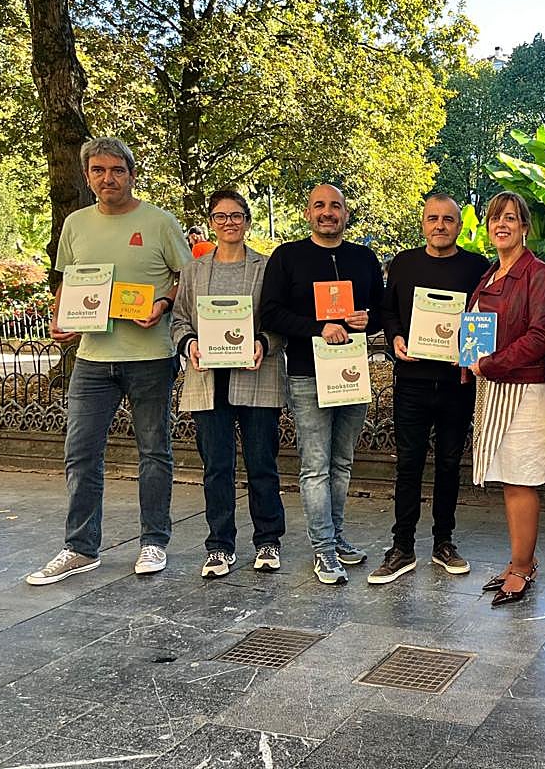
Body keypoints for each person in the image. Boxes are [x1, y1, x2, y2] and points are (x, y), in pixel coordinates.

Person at [26, 137, 191, 585]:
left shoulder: (159, 222)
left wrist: (162, 302)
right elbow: (68, 281)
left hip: (150, 355)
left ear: (131, 174)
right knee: (80, 454)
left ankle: (154, 541)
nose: (108, 178)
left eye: (117, 170)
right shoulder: (76, 224)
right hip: (93, 357)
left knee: (154, 452)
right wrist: (60, 319)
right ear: (87, 177)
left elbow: (186, 276)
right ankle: (80, 548)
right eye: (98, 171)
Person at [260, 184, 384, 585]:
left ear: (346, 214)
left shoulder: (363, 258)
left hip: (351, 374)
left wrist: (371, 320)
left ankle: (337, 536)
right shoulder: (288, 257)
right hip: (307, 374)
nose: (327, 212)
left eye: (335, 206)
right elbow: (272, 313)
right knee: (315, 467)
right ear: (308, 212)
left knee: (343, 463)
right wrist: (317, 328)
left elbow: (382, 312)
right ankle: (323, 550)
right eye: (319, 206)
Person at [371, 194, 489, 584]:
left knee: (450, 464)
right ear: (423, 223)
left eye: (449, 219)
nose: (440, 225)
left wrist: (473, 352)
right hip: (412, 382)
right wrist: (396, 338)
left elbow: (487, 317)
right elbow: (387, 311)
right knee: (408, 464)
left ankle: (443, 542)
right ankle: (402, 546)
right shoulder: (403, 264)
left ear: (459, 225)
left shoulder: (476, 267)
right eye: (433, 218)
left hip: (457, 383)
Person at [171, 190, 287, 578]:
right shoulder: (193, 271)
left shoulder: (268, 268)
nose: (229, 223)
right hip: (208, 380)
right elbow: (180, 321)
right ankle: (219, 546)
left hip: (257, 376)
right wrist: (189, 345)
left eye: (236, 215)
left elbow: (279, 322)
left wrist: (264, 342)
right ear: (211, 222)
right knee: (216, 467)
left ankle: (268, 540)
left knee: (262, 465)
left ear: (248, 220)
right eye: (220, 217)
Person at [467, 191, 545, 606]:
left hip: (525, 388)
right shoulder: (488, 275)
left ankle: (523, 567)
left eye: (510, 218)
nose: (500, 225)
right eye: (494, 218)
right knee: (508, 478)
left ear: (525, 226)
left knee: (522, 479)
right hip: (493, 385)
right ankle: (519, 559)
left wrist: (491, 363)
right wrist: (468, 360)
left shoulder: (539, 274)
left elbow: (541, 336)